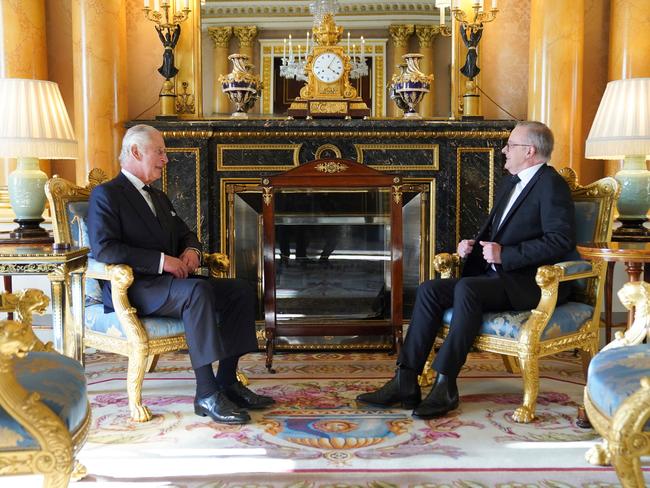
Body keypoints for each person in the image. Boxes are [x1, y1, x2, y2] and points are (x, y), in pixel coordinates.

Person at [357, 121, 577, 419]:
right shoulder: (510, 181)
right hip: (498, 276)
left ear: (529, 151)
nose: (504, 150)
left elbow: (560, 240)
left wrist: (506, 255)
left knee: (467, 288)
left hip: (529, 282)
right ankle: (405, 380)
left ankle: (446, 384)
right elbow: (500, 232)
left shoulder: (551, 184)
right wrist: (474, 245)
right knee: (429, 289)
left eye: (510, 145)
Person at [88, 124, 274, 425]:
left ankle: (228, 381)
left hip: (169, 285)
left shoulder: (158, 197)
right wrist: (163, 261)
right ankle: (206, 392)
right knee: (197, 292)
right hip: (137, 287)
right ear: (136, 152)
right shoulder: (106, 194)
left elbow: (186, 233)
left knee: (239, 289)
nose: (166, 159)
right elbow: (106, 250)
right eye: (160, 152)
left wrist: (192, 253)